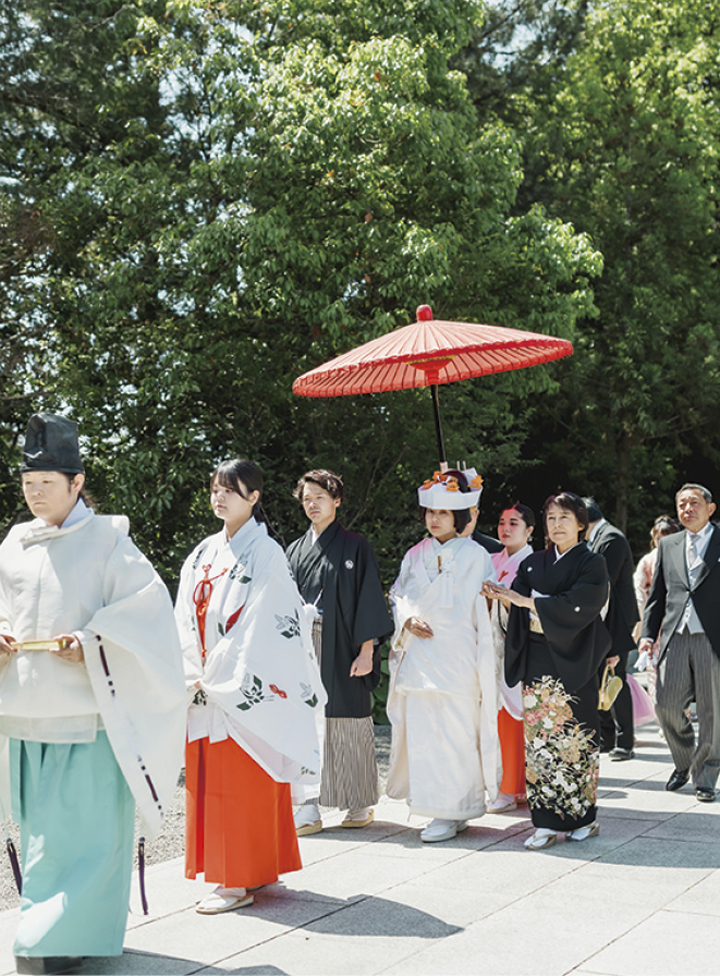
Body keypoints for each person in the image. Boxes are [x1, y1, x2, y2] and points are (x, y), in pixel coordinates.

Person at [0, 413, 187, 974]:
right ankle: (54, 929)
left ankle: (63, 938)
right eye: (28, 486)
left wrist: (89, 642)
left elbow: (147, 617)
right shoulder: (14, 543)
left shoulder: (108, 540)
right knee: (41, 838)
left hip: (89, 716)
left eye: (47, 485)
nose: (35, 495)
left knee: (86, 835)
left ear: (77, 483)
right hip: (28, 713)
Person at [175, 459, 326, 914]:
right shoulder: (202, 552)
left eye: (231, 491)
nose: (219, 498)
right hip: (204, 677)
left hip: (242, 683)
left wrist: (220, 670)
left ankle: (236, 880)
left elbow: (269, 622)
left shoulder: (267, 552)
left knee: (241, 780)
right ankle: (253, 869)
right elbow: (183, 615)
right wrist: (189, 666)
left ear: (254, 497)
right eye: (215, 489)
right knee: (217, 779)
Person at [484, 491, 610, 850]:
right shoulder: (532, 564)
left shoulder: (592, 563)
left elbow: (581, 606)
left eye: (564, 518)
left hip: (576, 660)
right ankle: (542, 822)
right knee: (539, 741)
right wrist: (501, 600)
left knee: (576, 740)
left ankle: (583, 818)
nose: (557, 525)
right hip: (538, 659)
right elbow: (514, 607)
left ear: (581, 525)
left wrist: (526, 601)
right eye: (552, 518)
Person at [387, 468, 500, 842]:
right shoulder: (414, 554)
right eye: (430, 513)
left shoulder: (476, 555)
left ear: (460, 516)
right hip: (420, 654)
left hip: (458, 656)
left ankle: (458, 808)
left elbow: (483, 610)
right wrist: (406, 619)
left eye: (444, 514)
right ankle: (437, 808)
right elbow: (398, 594)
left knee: (458, 733)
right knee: (425, 735)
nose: (435, 520)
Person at [286, 470, 393, 835]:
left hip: (345, 646)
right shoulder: (294, 551)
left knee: (347, 720)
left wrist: (367, 651)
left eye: (319, 496)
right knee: (304, 723)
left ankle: (358, 801)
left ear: (337, 500)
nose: (312, 504)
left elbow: (368, 601)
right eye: (306, 499)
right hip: (304, 647)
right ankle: (308, 806)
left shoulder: (355, 547)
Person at [639, 483, 720, 802]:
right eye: (682, 504)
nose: (688, 509)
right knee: (665, 704)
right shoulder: (670, 544)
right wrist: (648, 634)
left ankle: (706, 774)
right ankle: (684, 761)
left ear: (710, 508)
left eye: (694, 503)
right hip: (675, 635)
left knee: (713, 710)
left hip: (712, 637)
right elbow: (657, 594)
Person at [486, 503, 535, 813]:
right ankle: (506, 785)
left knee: (517, 717)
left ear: (530, 530)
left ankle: (514, 787)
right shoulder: (490, 559)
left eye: (514, 523)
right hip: (489, 647)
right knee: (498, 718)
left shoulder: (534, 564)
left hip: (519, 646)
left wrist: (504, 600)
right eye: (502, 522)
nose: (505, 528)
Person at [583, 498, 639, 760]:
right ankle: (605, 737)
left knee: (616, 678)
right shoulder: (598, 537)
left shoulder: (611, 538)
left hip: (618, 620)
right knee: (598, 676)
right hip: (603, 618)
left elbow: (604, 582)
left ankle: (625, 740)